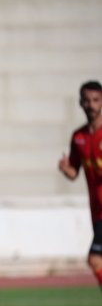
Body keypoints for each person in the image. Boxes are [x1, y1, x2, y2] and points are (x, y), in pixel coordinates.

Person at [58, 80, 102, 289]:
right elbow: (74, 172)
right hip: (96, 210)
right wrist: (66, 169)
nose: (91, 105)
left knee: (95, 259)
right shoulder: (79, 137)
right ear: (80, 103)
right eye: (87, 100)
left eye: (95, 100)